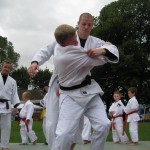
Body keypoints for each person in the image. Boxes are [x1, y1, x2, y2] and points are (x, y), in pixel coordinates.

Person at [27, 12, 117, 150]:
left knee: (90, 126)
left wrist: (103, 50)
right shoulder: (63, 40)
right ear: (78, 24)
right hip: (61, 85)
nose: (86, 27)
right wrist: (35, 62)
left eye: (89, 24)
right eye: (83, 24)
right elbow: (45, 50)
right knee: (54, 125)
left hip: (85, 86)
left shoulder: (94, 41)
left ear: (92, 25)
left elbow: (112, 51)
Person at [52, 24, 119, 150]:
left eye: (76, 37)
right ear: (63, 43)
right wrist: (105, 48)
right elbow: (103, 59)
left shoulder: (67, 47)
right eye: (73, 40)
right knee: (64, 134)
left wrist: (103, 48)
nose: (77, 41)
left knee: (104, 125)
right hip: (70, 96)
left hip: (89, 91)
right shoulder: (65, 56)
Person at [0, 60, 20, 150]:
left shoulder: (12, 81)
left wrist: (15, 107)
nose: (7, 69)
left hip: (7, 105)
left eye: (8, 67)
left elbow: (15, 94)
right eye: (5, 67)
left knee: (6, 127)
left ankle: (4, 146)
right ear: (2, 66)